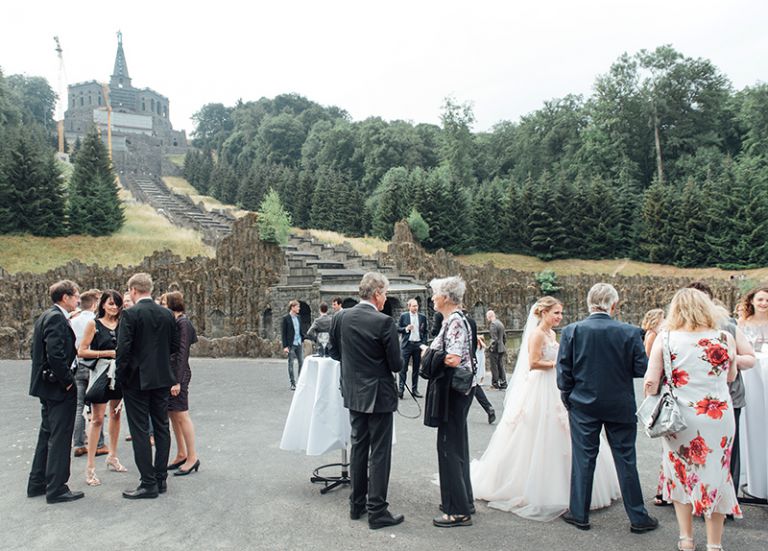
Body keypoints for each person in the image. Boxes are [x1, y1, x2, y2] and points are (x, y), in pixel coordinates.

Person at [472, 296, 620, 520]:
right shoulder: (537, 334)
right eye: (556, 313)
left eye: (561, 313)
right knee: (539, 431)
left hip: (555, 383)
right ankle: (534, 486)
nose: (559, 317)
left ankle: (571, 486)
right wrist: (558, 363)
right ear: (543, 313)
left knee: (566, 432)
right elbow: (533, 363)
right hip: (541, 385)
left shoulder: (552, 334)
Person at [644, 288, 742, 551]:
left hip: (680, 420)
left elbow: (651, 383)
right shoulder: (724, 337)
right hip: (718, 416)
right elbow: (731, 377)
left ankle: (686, 538)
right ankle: (714, 543)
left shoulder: (664, 339)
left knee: (680, 473)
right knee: (718, 474)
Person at [556, 283, 658, 533]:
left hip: (583, 403)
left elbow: (564, 372)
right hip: (619, 403)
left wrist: (568, 397)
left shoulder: (572, 330)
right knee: (626, 459)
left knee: (583, 458)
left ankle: (579, 513)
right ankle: (638, 518)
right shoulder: (630, 332)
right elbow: (640, 369)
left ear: (588, 303)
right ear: (614, 305)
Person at [329, 272, 404, 530]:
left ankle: (356, 505)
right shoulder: (384, 322)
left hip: (353, 392)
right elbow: (396, 363)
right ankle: (377, 511)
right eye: (385, 294)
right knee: (380, 452)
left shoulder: (341, 317)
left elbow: (334, 352)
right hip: (379, 394)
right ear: (377, 294)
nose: (385, 298)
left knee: (359, 447)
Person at [116, 273, 180, 499]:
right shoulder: (166, 314)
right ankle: (161, 478)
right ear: (150, 289)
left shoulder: (131, 314)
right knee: (162, 427)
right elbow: (174, 346)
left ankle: (148, 482)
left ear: (133, 290)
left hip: (137, 380)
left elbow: (123, 350)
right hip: (162, 378)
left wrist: (119, 377)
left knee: (140, 429)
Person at [425, 276, 476, 528]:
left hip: (453, 392)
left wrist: (431, 355)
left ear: (446, 297)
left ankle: (457, 511)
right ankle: (463, 500)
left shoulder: (454, 321)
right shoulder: (458, 318)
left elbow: (454, 358)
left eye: (435, 293)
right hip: (460, 391)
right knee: (457, 445)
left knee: (448, 448)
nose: (433, 297)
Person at [27, 280, 84, 504]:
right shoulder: (57, 318)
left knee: (47, 433)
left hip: (46, 387)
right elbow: (55, 354)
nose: (78, 299)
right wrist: (68, 382)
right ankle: (57, 488)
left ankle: (38, 482)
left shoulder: (46, 316)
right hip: (58, 388)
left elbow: (36, 351)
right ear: (65, 297)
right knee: (60, 437)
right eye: (76, 295)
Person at [78, 290, 127, 486]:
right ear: (103, 305)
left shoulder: (123, 324)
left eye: (117, 304)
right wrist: (107, 353)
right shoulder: (94, 324)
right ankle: (90, 467)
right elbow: (82, 350)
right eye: (110, 303)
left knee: (116, 415)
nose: (114, 307)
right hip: (100, 374)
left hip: (118, 374)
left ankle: (112, 456)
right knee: (97, 419)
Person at [164, 291, 201, 476]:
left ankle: (192, 457)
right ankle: (181, 453)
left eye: (164, 302)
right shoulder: (175, 322)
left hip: (178, 374)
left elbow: (182, 352)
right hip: (171, 373)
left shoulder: (183, 323)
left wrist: (177, 380)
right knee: (173, 414)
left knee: (182, 414)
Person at [70, 288, 106, 458]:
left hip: (78, 365)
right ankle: (99, 443)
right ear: (93, 304)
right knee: (97, 405)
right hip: (94, 364)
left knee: (78, 406)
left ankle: (78, 443)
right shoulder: (96, 321)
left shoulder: (73, 320)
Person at [397, 298, 428, 398]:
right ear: (409, 306)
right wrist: (406, 329)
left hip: (418, 344)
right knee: (403, 368)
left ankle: (415, 389)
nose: (416, 308)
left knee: (416, 368)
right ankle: (401, 389)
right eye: (413, 306)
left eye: (417, 306)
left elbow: (425, 331)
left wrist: (423, 343)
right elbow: (398, 328)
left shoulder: (422, 317)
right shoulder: (404, 316)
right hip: (407, 345)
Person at [281, 300, 306, 391]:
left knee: (301, 362)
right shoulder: (286, 318)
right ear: (292, 307)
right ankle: (293, 383)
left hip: (299, 343)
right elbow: (283, 333)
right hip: (291, 344)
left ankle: (300, 381)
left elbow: (300, 330)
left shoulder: (298, 318)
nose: (299, 308)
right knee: (291, 363)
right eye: (297, 307)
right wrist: (285, 346)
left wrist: (304, 338)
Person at [486, 310, 507, 389]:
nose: (487, 318)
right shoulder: (500, 323)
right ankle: (503, 383)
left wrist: (490, 349)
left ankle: (495, 384)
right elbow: (504, 337)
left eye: (487, 317)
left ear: (489, 316)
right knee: (500, 366)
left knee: (494, 367)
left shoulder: (493, 325)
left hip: (495, 349)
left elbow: (494, 339)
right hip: (501, 348)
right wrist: (502, 345)